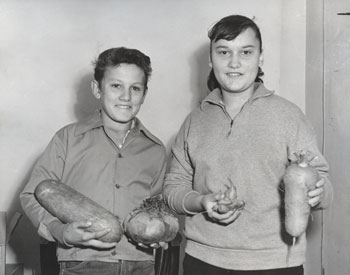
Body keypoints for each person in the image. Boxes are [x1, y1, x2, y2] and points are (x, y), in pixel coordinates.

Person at [163, 15, 333, 275]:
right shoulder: (194, 121)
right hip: (202, 260)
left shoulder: (289, 115)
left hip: (275, 263)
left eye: (245, 52)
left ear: (260, 57)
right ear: (211, 59)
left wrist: (317, 193)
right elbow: (173, 189)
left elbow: (324, 185)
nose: (234, 63)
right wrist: (202, 201)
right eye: (223, 52)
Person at [20, 47, 168, 275]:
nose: (126, 97)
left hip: (140, 264)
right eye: (116, 86)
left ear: (144, 94)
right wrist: (60, 231)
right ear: (97, 89)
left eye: (135, 88)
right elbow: (31, 195)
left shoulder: (156, 150)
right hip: (81, 263)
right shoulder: (68, 139)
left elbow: (158, 206)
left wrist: (161, 231)